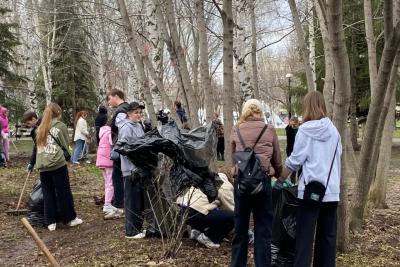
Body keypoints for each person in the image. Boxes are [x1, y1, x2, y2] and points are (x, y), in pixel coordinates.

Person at [280, 91, 342, 267]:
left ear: (307, 107)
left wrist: (280, 177)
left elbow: (295, 161)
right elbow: (338, 159)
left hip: (309, 193)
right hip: (331, 192)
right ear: (322, 105)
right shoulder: (334, 131)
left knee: (304, 240)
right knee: (328, 240)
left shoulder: (305, 130)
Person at [229, 99, 282, 267]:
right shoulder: (269, 129)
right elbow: (277, 160)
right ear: (260, 112)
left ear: (245, 111)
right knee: (263, 231)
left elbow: (232, 158)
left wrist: (235, 173)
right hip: (263, 183)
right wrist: (278, 175)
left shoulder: (236, 129)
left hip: (242, 183)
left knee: (240, 230)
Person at [35, 103, 83, 231]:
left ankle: (50, 221)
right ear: (58, 113)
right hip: (57, 163)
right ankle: (69, 218)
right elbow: (65, 144)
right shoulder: (60, 126)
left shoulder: (40, 128)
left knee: (48, 193)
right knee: (63, 192)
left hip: (43, 165)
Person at [117, 101, 150, 238]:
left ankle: (138, 227)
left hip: (139, 168)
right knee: (132, 201)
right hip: (130, 170)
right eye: (136, 112)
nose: (139, 115)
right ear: (129, 114)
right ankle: (131, 231)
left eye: (140, 112)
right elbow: (124, 148)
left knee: (139, 200)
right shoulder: (126, 127)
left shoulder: (139, 126)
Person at [177, 173, 234, 248]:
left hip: (182, 212)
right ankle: (210, 237)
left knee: (207, 208)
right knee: (233, 216)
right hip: (195, 214)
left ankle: (196, 230)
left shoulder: (204, 181)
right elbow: (232, 208)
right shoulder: (225, 185)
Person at [106, 89, 130, 219]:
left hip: (122, 149)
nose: (109, 102)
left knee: (118, 177)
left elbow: (123, 131)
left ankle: (120, 206)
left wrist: (118, 148)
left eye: (109, 99)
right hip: (126, 149)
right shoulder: (128, 108)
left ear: (116, 97)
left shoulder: (121, 111)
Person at [95, 118, 115, 215]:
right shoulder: (110, 132)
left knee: (107, 182)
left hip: (101, 160)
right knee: (110, 182)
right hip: (108, 160)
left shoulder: (102, 132)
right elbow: (113, 143)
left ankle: (108, 202)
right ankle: (107, 204)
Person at [285, 116, 300, 183]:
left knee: (300, 169)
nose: (293, 125)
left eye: (295, 124)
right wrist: (290, 124)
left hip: (299, 151)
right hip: (290, 151)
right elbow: (287, 129)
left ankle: (300, 183)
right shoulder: (289, 129)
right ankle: (293, 183)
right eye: (292, 124)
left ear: (298, 123)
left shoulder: (301, 130)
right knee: (293, 168)